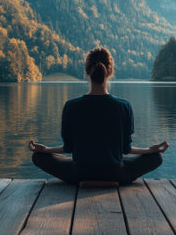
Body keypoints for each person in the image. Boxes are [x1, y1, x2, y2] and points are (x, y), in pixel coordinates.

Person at [28, 47, 168, 185]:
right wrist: (149, 150)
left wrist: (46, 150)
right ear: (111, 71)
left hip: (79, 173)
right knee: (156, 158)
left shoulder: (71, 106)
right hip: (116, 173)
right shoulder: (124, 106)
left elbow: (68, 148)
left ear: (86, 72)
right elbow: (126, 150)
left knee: (38, 157)